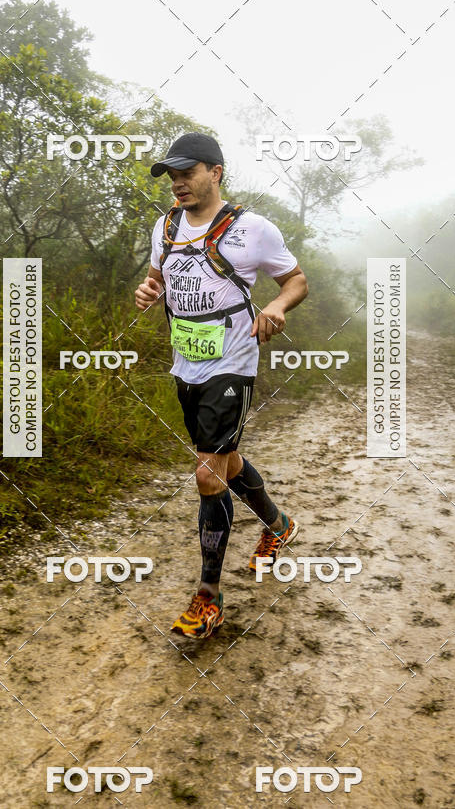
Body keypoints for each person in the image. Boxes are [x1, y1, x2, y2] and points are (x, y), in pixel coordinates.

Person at [135, 132, 308, 638]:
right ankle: (279, 526)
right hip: (185, 362)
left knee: (208, 475)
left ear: (216, 172)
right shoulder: (164, 226)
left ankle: (209, 597)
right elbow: (157, 279)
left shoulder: (252, 228)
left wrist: (277, 306)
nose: (178, 183)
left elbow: (295, 279)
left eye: (187, 172)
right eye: (171, 175)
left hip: (233, 361)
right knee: (226, 461)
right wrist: (149, 289)